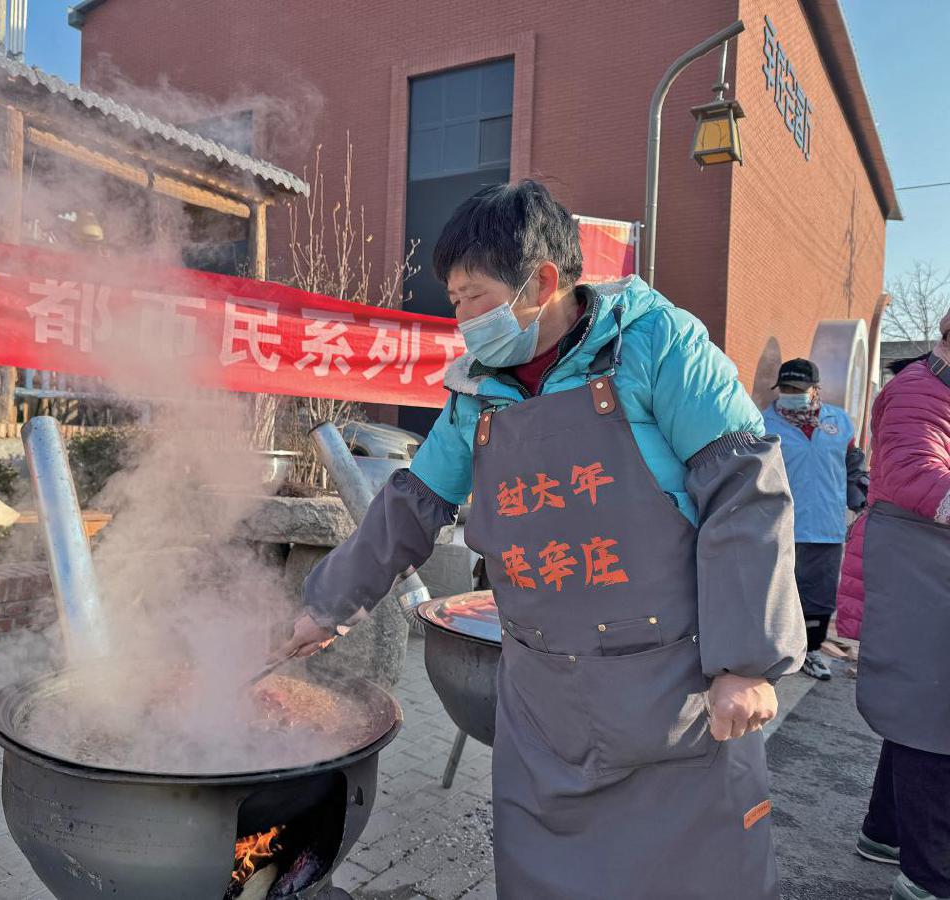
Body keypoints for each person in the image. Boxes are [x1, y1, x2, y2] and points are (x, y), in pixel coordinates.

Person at [274, 180, 806, 899]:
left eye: (471, 297)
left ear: (543, 282)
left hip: (672, 691)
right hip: (541, 700)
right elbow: (413, 503)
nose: (459, 318)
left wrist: (747, 662)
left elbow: (744, 487)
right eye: (453, 299)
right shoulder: (478, 391)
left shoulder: (657, 344)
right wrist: (325, 606)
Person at [835, 312, 950, 900]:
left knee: (920, 703)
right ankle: (929, 876)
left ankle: (885, 832)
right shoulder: (917, 392)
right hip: (911, 570)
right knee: (931, 711)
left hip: (923, 567)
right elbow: (912, 473)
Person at [762, 359, 869, 680]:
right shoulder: (763, 424)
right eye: (785, 389)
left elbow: (853, 470)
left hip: (826, 527)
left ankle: (810, 651)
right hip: (779, 527)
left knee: (820, 599)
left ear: (815, 390)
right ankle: (774, 651)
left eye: (798, 389)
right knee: (775, 594)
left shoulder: (839, 422)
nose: (790, 394)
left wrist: (863, 501)